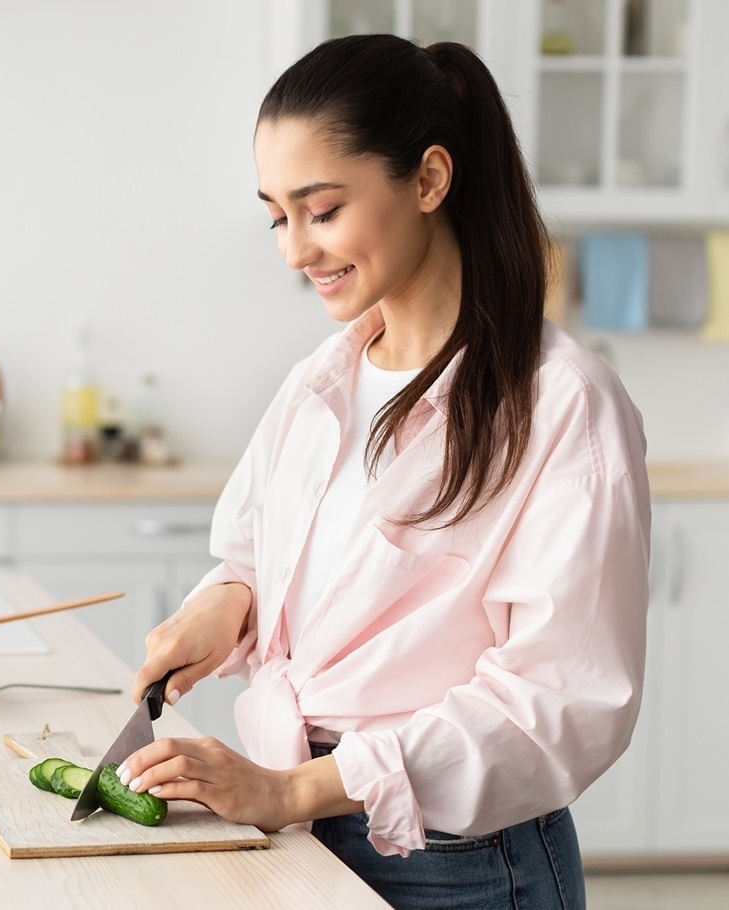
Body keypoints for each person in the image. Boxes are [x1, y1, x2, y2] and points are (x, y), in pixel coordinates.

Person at [120, 34, 649, 910]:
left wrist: (292, 791)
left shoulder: (561, 404)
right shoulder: (320, 382)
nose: (293, 251)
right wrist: (230, 600)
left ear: (429, 180)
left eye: (320, 210)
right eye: (275, 216)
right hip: (301, 833)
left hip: (463, 866)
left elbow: (560, 700)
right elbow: (260, 551)